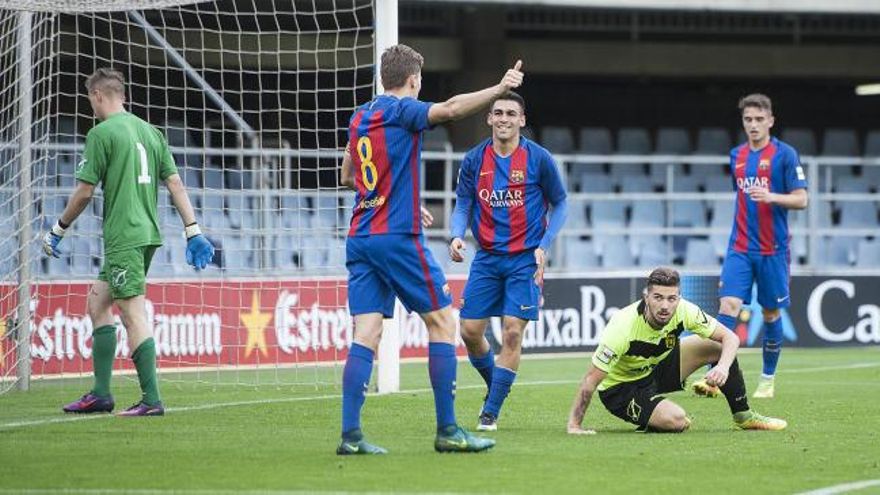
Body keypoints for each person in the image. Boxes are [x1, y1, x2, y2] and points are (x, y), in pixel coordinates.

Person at [337, 44, 523, 455]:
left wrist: (391, 195)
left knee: (366, 333)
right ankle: (449, 430)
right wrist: (499, 89)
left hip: (361, 235)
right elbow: (453, 109)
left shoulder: (360, 117)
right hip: (397, 238)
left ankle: (351, 437)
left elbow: (348, 173)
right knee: (441, 323)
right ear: (414, 80)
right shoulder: (404, 110)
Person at [42, 68, 214, 417]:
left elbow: (85, 191)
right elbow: (176, 183)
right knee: (97, 303)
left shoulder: (101, 133)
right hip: (148, 233)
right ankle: (101, 394)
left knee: (132, 311)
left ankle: (151, 400)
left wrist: (58, 228)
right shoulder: (152, 132)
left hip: (124, 235)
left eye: (90, 100)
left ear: (98, 96)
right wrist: (192, 229)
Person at [448, 91, 567, 431]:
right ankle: (497, 385)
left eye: (510, 113)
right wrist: (456, 234)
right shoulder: (473, 160)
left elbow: (560, 203)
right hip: (486, 257)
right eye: (497, 112)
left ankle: (491, 411)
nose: (503, 118)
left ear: (522, 120)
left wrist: (545, 244)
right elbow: (463, 203)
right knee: (470, 331)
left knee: (512, 333)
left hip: (525, 260)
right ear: (488, 118)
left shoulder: (539, 159)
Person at [566, 267, 787, 434]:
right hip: (622, 388)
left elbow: (730, 338)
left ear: (678, 298)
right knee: (678, 421)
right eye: (658, 297)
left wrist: (722, 367)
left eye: (671, 298)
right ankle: (654, 416)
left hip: (656, 368)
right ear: (647, 298)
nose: (665, 306)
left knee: (717, 346)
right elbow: (590, 381)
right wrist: (575, 426)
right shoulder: (622, 327)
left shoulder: (684, 310)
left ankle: (744, 416)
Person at [692, 94, 808, 400]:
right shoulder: (737, 155)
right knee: (727, 306)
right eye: (748, 120)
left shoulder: (785, 155)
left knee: (770, 313)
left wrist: (772, 197)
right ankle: (713, 374)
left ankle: (767, 379)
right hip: (739, 248)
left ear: (770, 120)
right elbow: (743, 201)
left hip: (773, 250)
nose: (753, 125)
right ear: (743, 122)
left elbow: (802, 199)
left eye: (759, 119)